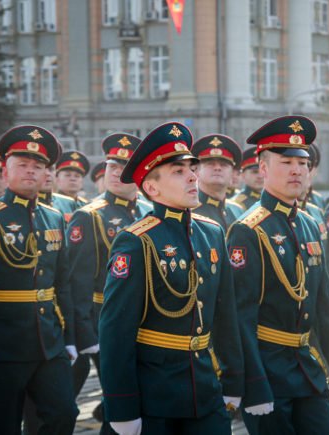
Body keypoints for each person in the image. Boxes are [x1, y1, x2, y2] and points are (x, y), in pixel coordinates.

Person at [98, 121, 244, 435]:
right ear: (151, 188)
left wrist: (233, 379)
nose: (193, 176)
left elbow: (225, 315)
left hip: (205, 389)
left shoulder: (212, 232)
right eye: (178, 171)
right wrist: (121, 407)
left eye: (193, 168)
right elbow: (115, 331)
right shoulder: (136, 241)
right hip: (155, 397)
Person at [226, 115, 329, 435]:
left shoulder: (309, 223)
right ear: (263, 169)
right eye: (286, 162)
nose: (297, 170)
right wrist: (253, 385)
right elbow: (240, 318)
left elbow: (323, 300)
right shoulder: (248, 230)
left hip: (306, 366)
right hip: (268, 372)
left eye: (303, 162)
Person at [0, 125, 78, 434]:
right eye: (22, 165)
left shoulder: (54, 217)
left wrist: (70, 337)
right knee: (4, 424)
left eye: (37, 166)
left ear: (45, 174)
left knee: (64, 412)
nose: (30, 172)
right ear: (6, 169)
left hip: (49, 343)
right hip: (3, 344)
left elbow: (62, 284)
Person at [67, 133, 143, 428]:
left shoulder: (149, 212)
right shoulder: (89, 216)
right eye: (112, 166)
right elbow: (78, 281)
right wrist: (85, 334)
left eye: (124, 167)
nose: (116, 173)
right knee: (119, 396)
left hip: (143, 319)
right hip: (103, 319)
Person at [190, 134, 245, 229]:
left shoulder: (238, 210)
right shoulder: (188, 210)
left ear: (233, 173)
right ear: (196, 170)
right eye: (210, 164)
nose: (217, 168)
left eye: (224, 165)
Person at [231, 146, 263, 211]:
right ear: (243, 175)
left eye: (263, 171)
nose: (260, 176)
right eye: (255, 172)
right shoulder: (236, 203)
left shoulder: (272, 200)